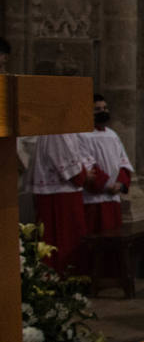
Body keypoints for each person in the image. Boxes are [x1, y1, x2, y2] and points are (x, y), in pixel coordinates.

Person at [26, 132, 90, 273]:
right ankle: (62, 280)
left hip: (65, 193)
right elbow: (70, 169)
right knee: (60, 241)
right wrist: (84, 176)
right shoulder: (58, 131)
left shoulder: (68, 130)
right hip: (59, 194)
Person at [78, 94, 133, 235]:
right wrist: (106, 184)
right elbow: (87, 164)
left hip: (113, 197)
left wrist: (120, 184)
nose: (103, 111)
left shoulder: (112, 135)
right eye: (97, 109)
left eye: (105, 108)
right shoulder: (82, 135)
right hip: (93, 199)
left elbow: (123, 162)